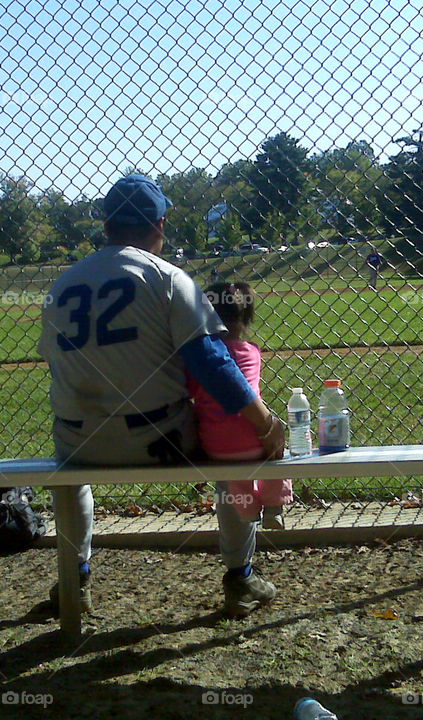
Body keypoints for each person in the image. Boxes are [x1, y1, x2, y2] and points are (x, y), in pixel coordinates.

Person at [36, 175, 286, 619]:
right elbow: (216, 366)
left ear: (106, 225)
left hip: (79, 442)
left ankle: (75, 579)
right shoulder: (168, 277)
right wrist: (265, 423)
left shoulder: (62, 284)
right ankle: (241, 576)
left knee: (72, 474)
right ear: (160, 224)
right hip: (162, 441)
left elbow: (57, 366)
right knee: (233, 449)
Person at [187, 281, 293, 530]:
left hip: (215, 446)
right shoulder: (252, 351)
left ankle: (246, 509)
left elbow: (190, 392)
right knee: (277, 455)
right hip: (257, 439)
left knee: (232, 471)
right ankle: (274, 506)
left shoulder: (200, 358)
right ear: (246, 317)